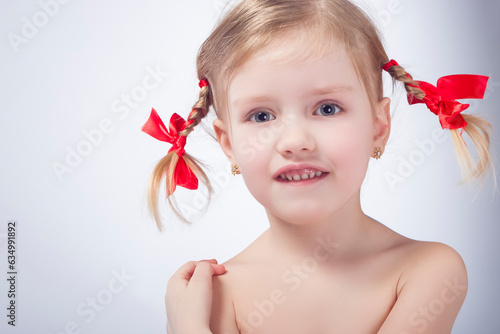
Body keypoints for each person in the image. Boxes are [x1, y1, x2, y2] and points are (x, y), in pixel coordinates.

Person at [141, 0, 493, 333]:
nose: (295, 140)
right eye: (261, 116)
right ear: (229, 144)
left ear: (378, 126)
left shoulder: (427, 271)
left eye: (327, 109)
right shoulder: (213, 296)